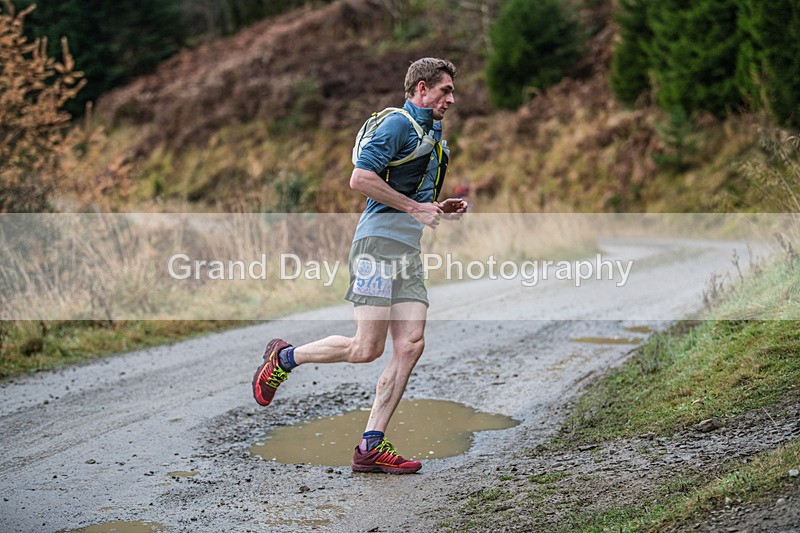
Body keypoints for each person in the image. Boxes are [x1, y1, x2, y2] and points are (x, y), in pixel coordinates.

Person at [252, 57, 467, 474]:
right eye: (445, 91)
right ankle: (284, 358)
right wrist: (414, 208)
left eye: (452, 91)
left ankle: (371, 444)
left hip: (406, 251)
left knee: (410, 344)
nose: (451, 99)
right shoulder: (397, 124)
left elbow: (408, 196)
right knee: (365, 348)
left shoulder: (433, 136)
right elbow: (361, 179)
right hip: (375, 247)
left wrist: (437, 208)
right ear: (421, 90)